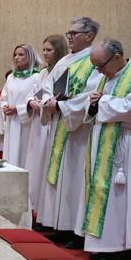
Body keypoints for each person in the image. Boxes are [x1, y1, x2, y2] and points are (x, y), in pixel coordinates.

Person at [76, 40, 131, 260]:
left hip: (125, 142)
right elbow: (100, 105)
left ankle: (122, 249)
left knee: (121, 198)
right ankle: (102, 245)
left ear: (117, 58)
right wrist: (94, 104)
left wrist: (103, 101)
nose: (99, 71)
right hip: (102, 140)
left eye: (101, 66)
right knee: (102, 194)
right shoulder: (108, 76)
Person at [38, 17, 99, 247]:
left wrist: (62, 106)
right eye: (69, 33)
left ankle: (75, 229)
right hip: (59, 125)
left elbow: (92, 94)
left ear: (89, 36)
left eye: (74, 33)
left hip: (79, 131)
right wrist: (49, 101)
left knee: (75, 177)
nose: (70, 37)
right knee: (60, 175)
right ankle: (59, 225)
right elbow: (46, 86)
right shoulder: (64, 60)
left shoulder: (94, 61)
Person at [25, 35, 69, 222]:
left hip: (52, 123)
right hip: (38, 124)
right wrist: (31, 102)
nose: (45, 53)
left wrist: (44, 103)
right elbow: (32, 93)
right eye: (43, 50)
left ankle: (45, 212)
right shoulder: (43, 73)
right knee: (35, 165)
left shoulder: (65, 70)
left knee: (45, 165)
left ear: (58, 50)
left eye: (49, 50)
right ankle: (34, 208)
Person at [0, 44, 42, 168]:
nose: (16, 57)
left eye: (21, 55)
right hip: (11, 122)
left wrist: (17, 109)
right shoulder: (11, 77)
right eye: (15, 55)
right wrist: (5, 106)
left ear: (30, 56)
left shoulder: (37, 77)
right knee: (11, 155)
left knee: (24, 155)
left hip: (28, 123)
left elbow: (37, 100)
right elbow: (4, 97)